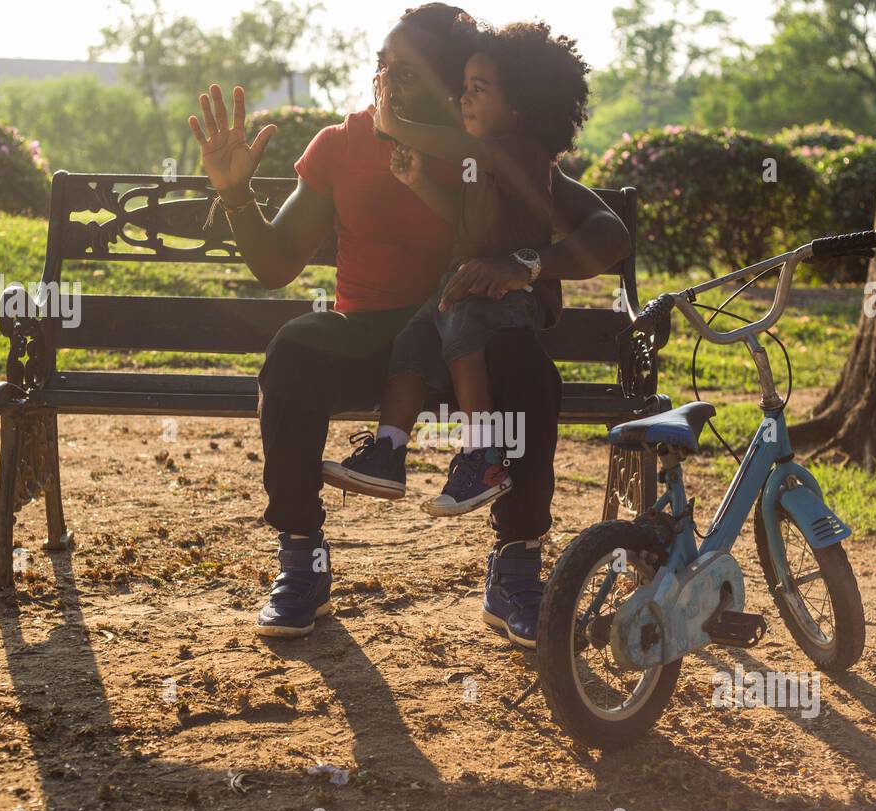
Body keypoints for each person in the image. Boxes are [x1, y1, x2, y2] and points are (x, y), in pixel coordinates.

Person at [187, 3, 630, 645]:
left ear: (456, 84)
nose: (388, 81)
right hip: (374, 336)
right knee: (292, 354)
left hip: (467, 347)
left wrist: (528, 263)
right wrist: (234, 193)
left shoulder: (489, 153)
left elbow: (607, 231)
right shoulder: (342, 144)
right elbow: (275, 263)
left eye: (409, 71)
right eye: (383, 65)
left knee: (529, 375)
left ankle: (516, 570)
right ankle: (301, 563)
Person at [321, 22, 590, 520]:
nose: (464, 99)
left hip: (508, 294)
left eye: (478, 90)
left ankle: (484, 457)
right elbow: (462, 223)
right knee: (414, 341)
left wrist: (394, 124)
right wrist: (420, 181)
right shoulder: (479, 163)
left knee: (461, 335)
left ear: (518, 107)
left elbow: (473, 154)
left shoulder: (517, 151)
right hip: (464, 284)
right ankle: (389, 450)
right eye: (463, 88)